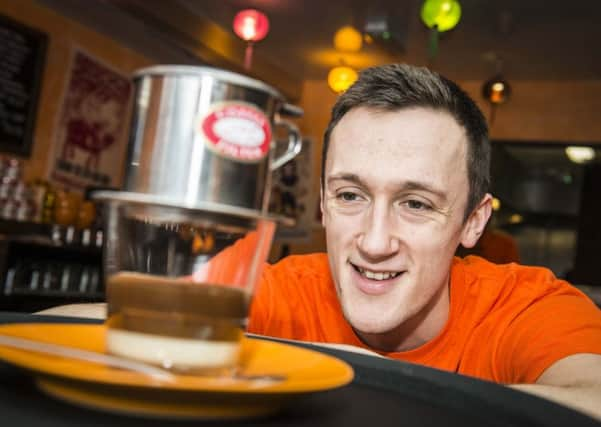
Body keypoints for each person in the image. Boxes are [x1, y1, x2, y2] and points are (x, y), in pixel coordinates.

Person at [40, 64, 601, 418]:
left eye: (416, 204)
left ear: (474, 223)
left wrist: (359, 373)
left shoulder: (525, 304)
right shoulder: (283, 286)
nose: (374, 242)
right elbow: (80, 328)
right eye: (351, 196)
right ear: (322, 206)